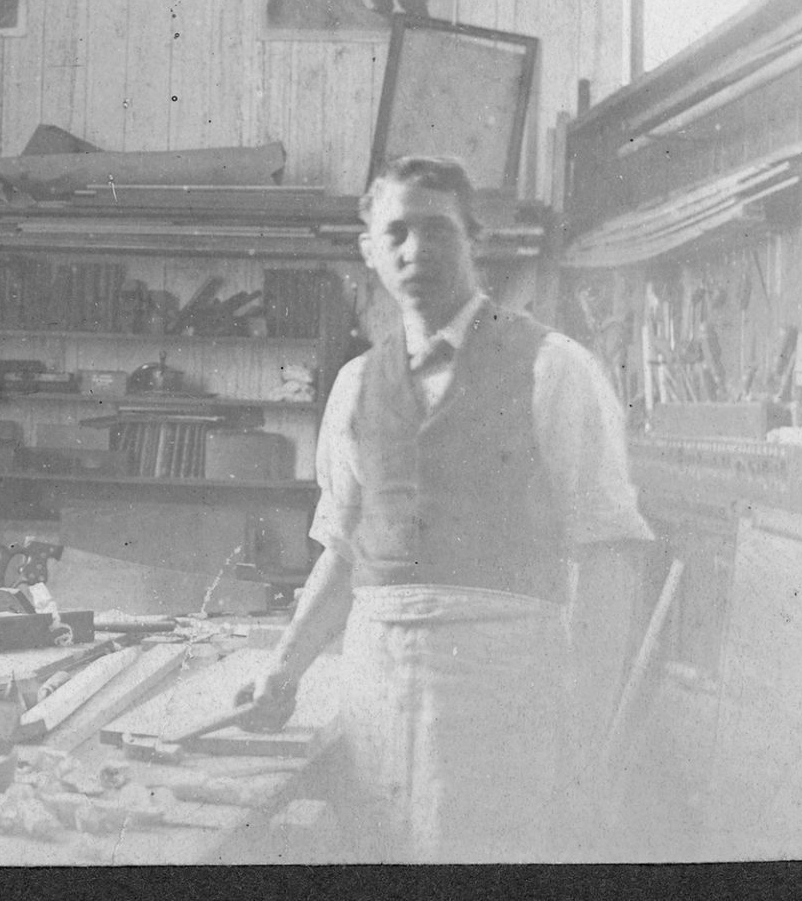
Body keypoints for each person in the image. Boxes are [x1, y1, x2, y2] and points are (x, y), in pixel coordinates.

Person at [234, 156, 653, 862]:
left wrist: (588, 724)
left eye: (438, 230)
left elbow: (610, 551)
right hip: (378, 682)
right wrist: (284, 666)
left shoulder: (554, 367)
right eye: (395, 232)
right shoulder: (357, 383)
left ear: (474, 240)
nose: (416, 250)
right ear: (369, 250)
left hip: (503, 683)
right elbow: (343, 548)